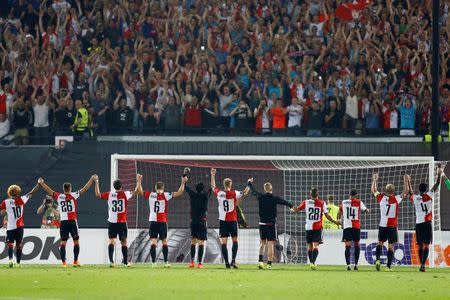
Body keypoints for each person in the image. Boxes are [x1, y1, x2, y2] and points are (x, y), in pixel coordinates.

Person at [38, 176, 96, 267]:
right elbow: (84, 189)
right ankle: (75, 261)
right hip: (72, 221)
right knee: (76, 242)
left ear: (63, 189)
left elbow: (49, 190)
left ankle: (64, 263)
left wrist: (41, 183)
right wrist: (92, 180)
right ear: (70, 188)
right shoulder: (74, 195)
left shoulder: (59, 196)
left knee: (63, 242)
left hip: (64, 222)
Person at [94, 174, 143, 268]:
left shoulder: (109, 195)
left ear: (114, 187)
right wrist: (138, 180)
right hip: (122, 222)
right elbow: (137, 191)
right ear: (121, 186)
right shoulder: (125, 194)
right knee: (124, 242)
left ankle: (111, 262)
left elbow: (97, 194)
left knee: (112, 241)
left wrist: (96, 182)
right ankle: (125, 263)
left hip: (112, 222)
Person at [139, 175, 187, 268]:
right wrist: (183, 182)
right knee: (164, 241)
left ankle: (153, 263)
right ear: (163, 188)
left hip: (153, 221)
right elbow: (180, 192)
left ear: (155, 188)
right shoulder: (166, 195)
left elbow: (140, 191)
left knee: (153, 242)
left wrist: (139, 181)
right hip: (162, 222)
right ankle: (165, 262)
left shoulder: (151, 194)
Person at [247, 178, 293, 269]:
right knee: (270, 245)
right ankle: (269, 264)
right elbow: (285, 202)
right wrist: (291, 206)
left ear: (264, 189)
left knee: (262, 243)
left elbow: (253, 191)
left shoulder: (260, 197)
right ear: (271, 189)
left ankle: (260, 262)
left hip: (262, 224)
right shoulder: (275, 198)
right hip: (271, 224)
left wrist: (249, 183)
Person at [290, 187, 340, 270]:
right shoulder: (322, 203)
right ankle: (313, 263)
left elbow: (297, 210)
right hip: (317, 227)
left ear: (310, 195)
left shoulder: (306, 202)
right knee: (315, 246)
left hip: (308, 227)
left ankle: (311, 263)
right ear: (318, 194)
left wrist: (292, 209)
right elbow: (327, 215)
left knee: (309, 246)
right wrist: (335, 222)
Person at [210, 168, 249, 268]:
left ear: (224, 185)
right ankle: (233, 261)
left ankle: (226, 263)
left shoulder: (219, 193)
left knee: (224, 243)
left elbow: (213, 186)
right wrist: (249, 184)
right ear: (230, 185)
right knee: (235, 241)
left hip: (223, 221)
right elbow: (245, 192)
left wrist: (213, 175)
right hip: (232, 221)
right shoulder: (234, 193)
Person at [371, 173, 409, 271]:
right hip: (392, 226)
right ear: (394, 191)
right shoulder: (396, 199)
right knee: (391, 246)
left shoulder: (381, 198)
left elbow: (374, 190)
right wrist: (406, 180)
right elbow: (406, 191)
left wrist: (375, 179)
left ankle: (378, 260)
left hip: (382, 225)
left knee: (380, 243)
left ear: (385, 190)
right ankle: (388, 266)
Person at [408, 167, 442, 272]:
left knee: (420, 245)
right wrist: (439, 172)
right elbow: (437, 184)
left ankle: (421, 263)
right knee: (427, 244)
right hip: (427, 223)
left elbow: (410, 193)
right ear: (426, 189)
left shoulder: (416, 198)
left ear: (419, 189)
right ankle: (423, 265)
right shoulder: (429, 195)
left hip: (419, 224)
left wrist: (408, 181)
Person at [0, 182, 40, 267]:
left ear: (9, 192)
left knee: (10, 244)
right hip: (20, 226)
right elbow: (32, 192)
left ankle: (10, 260)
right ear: (18, 192)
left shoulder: (6, 202)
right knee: (19, 245)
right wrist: (38, 184)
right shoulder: (22, 199)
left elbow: (1, 211)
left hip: (10, 227)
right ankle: (18, 263)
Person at [183, 168, 212, 268]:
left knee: (193, 242)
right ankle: (199, 263)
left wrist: (185, 174)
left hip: (194, 222)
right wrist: (212, 175)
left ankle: (191, 262)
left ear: (196, 188)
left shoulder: (193, 195)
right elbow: (213, 187)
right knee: (201, 243)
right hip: (202, 222)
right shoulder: (205, 196)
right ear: (203, 189)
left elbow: (185, 186)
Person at [337, 189, 369, 271]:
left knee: (347, 246)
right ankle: (356, 264)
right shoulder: (359, 202)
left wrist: (339, 219)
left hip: (347, 227)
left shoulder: (344, 202)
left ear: (349, 195)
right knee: (357, 245)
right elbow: (366, 210)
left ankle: (348, 265)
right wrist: (366, 210)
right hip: (356, 227)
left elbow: (339, 211)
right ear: (355, 195)